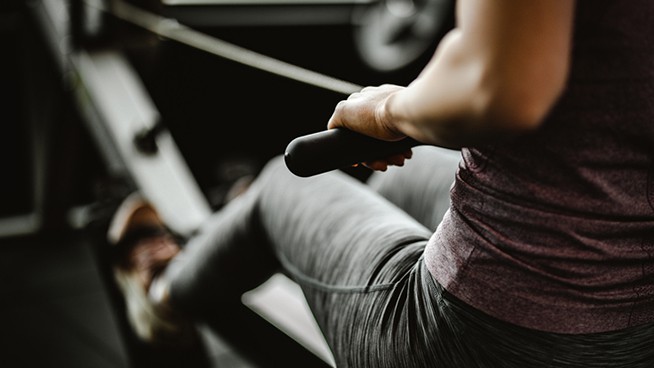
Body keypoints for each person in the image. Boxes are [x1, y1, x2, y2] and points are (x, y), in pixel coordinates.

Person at [109, 0, 654, 366]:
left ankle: (163, 293)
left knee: (283, 187)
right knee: (404, 176)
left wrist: (387, 111)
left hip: (480, 340)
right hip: (638, 328)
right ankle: (251, 235)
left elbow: (501, 89)